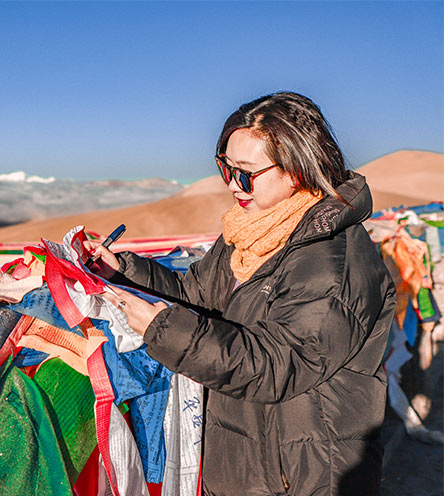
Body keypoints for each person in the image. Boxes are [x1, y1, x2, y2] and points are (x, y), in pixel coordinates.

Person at [85, 92, 396, 495]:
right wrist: (124, 270)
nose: (233, 185)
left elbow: (273, 365)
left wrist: (163, 329)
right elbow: (195, 292)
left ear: (296, 171)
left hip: (303, 476)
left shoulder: (332, 263)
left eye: (246, 173)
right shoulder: (249, 231)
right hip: (243, 463)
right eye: (225, 167)